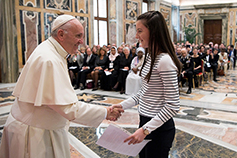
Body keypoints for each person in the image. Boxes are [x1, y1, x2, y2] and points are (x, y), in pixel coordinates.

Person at [0, 15, 123, 158]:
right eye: (78, 36)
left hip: (37, 127)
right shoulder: (49, 60)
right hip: (35, 135)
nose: (82, 41)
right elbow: (68, 108)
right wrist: (105, 112)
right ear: (61, 34)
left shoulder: (50, 50)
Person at [111, 11, 182, 158]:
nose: (136, 36)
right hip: (145, 121)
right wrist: (122, 105)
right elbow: (144, 92)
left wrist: (145, 130)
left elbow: (173, 105)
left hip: (158, 128)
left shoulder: (165, 61)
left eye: (140, 31)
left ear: (154, 32)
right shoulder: (150, 56)